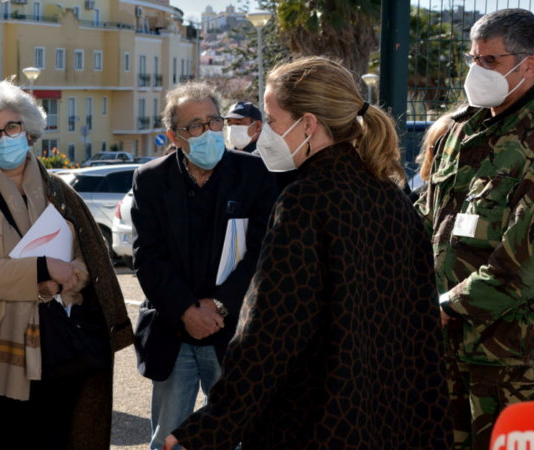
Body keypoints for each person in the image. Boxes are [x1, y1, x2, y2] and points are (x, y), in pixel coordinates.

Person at [166, 56, 451, 449]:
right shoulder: (390, 194)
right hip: (393, 419)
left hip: (321, 420)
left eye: (272, 120)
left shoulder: (307, 199)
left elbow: (271, 331)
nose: (262, 133)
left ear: (309, 124)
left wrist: (210, 428)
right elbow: (420, 324)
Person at [0, 80, 133, 450]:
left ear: (29, 131)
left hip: (59, 351)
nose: (3, 137)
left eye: (12, 127)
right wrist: (42, 270)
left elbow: (89, 260)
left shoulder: (59, 191)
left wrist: (62, 280)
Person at [414, 9, 534, 450]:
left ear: (528, 66)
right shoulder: (458, 131)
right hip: (440, 351)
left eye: (489, 60)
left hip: (507, 360)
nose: (475, 70)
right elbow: (424, 220)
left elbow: (524, 260)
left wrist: (444, 306)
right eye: (472, 58)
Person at [131, 81, 278, 450]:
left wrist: (218, 304)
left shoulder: (256, 174)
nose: (208, 132)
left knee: (238, 435)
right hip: (172, 330)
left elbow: (264, 253)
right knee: (169, 439)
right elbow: (148, 257)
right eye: (195, 126)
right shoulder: (150, 179)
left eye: (214, 122)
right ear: (174, 135)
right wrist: (186, 310)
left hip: (232, 332)